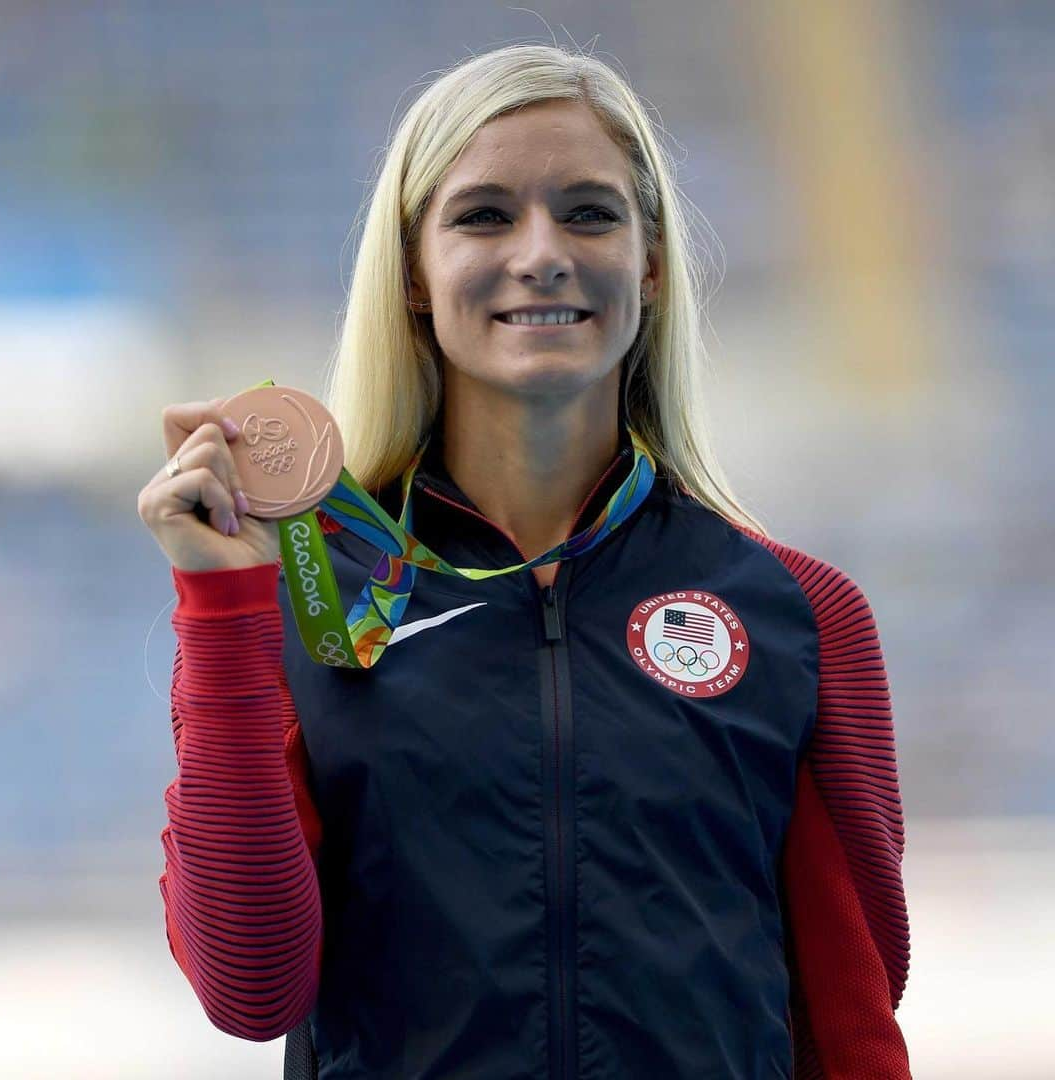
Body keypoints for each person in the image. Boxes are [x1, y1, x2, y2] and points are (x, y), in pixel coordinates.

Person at [137, 43, 912, 1080]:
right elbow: (251, 989)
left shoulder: (796, 614)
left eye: (590, 212)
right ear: (415, 272)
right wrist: (224, 608)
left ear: (650, 263)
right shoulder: (307, 598)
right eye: (485, 215)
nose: (542, 251)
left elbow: (854, 1015)